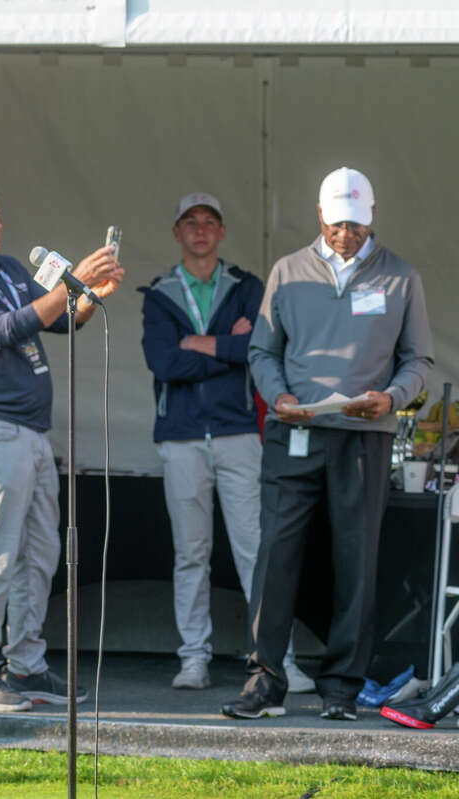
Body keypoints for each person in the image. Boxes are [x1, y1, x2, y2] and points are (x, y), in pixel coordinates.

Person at [223, 167, 433, 722]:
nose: (347, 235)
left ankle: (341, 686)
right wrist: (279, 394)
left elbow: (419, 361)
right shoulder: (288, 272)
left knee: (355, 562)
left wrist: (390, 399)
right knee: (276, 555)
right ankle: (265, 680)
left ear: (373, 218)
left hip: (365, 435)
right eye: (338, 224)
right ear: (319, 215)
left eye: (358, 226)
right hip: (294, 430)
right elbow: (262, 351)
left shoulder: (401, 277)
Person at [0, 176, 123, 712]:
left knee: (40, 553)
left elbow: (58, 320)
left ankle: (26, 665)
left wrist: (86, 298)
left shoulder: (8, 269)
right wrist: (69, 283)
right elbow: (4, 329)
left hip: (30, 432)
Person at [141, 193, 312, 693]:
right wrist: (226, 348)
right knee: (190, 552)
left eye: (209, 222)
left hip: (239, 433)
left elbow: (258, 348)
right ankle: (194, 658)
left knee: (255, 551)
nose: (199, 230)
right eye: (190, 222)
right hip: (182, 438)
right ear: (176, 232)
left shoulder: (247, 287)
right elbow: (164, 364)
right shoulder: (158, 294)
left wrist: (197, 343)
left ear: (221, 231)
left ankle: (278, 660)